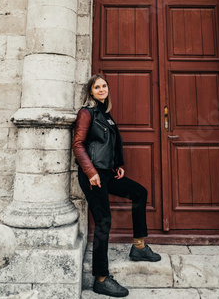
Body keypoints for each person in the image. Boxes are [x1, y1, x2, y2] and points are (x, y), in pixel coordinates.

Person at [72, 74, 161, 298]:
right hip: (92, 175)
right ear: (90, 91)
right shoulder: (87, 112)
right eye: (97, 87)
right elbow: (78, 144)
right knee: (103, 222)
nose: (102, 89)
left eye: (104, 86)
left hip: (107, 173)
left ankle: (139, 246)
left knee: (139, 192)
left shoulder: (105, 115)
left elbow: (108, 145)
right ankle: (101, 279)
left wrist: (117, 165)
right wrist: (91, 172)